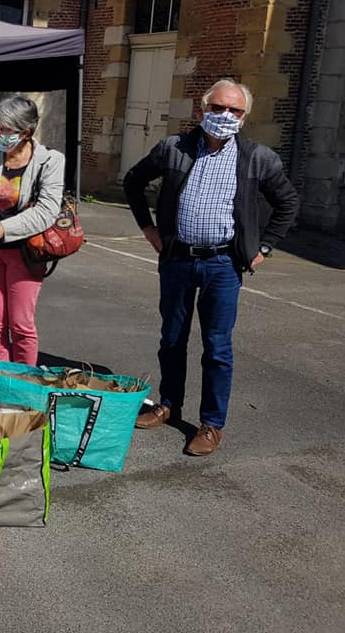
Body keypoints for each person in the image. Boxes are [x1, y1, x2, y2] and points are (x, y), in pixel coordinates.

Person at [123, 78, 298, 456]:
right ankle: (168, 405)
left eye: (234, 110)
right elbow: (134, 181)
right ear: (203, 109)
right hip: (178, 260)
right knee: (172, 337)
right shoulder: (174, 148)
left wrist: (263, 246)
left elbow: (287, 202)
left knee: (217, 347)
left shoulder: (256, 157)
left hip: (223, 264)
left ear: (244, 116)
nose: (225, 116)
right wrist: (148, 227)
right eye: (217, 108)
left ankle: (211, 425)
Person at [0, 95, 65, 366]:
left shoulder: (50, 161)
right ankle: (0, 383)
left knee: (20, 325)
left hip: (24, 253)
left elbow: (46, 211)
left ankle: (25, 387)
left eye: (5, 130)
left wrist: (1, 228)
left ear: (26, 132)